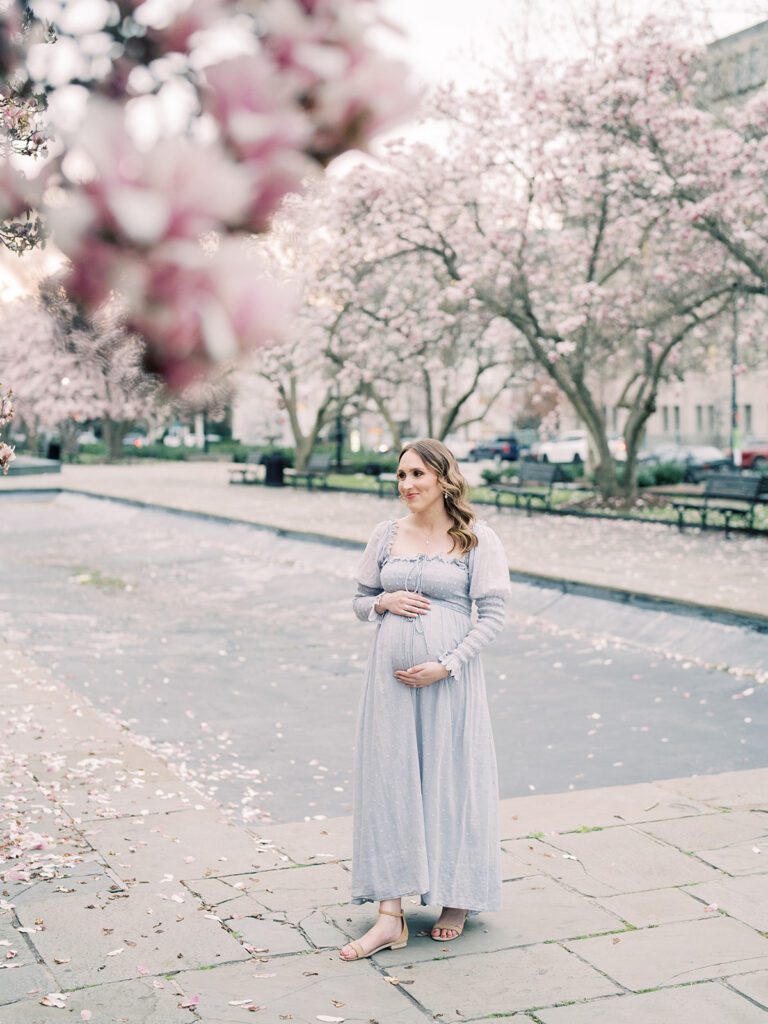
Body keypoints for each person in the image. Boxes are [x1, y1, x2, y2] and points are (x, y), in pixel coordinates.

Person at [339, 438, 512, 962]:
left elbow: (495, 615)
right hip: (389, 685)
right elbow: (359, 600)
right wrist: (382, 602)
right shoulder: (385, 534)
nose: (406, 485)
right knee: (389, 782)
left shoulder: (477, 538)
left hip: (449, 684)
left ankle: (456, 897)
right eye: (400, 476)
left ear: (443, 478)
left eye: (416, 474)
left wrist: (448, 664)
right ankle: (389, 915)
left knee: (450, 780)